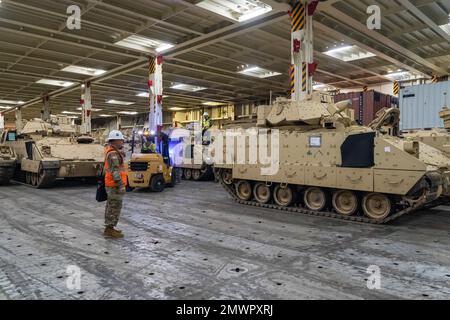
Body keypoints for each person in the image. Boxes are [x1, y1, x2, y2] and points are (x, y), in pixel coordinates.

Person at [103, 130, 127, 239]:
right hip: (114, 185)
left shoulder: (114, 152)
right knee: (114, 207)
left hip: (113, 184)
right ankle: (109, 229)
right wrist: (120, 185)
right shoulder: (113, 154)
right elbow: (115, 171)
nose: (122, 141)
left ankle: (110, 228)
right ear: (115, 141)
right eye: (121, 140)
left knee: (112, 206)